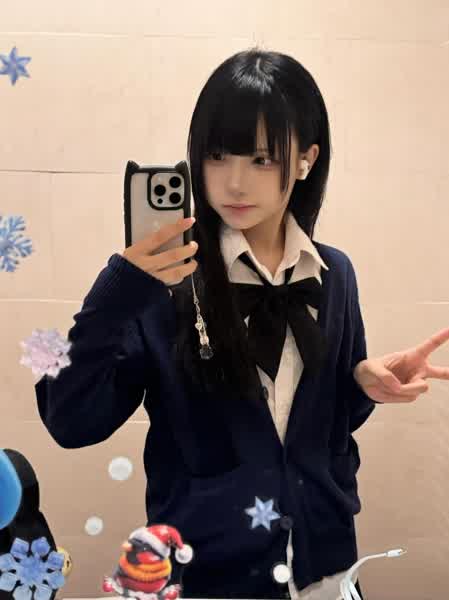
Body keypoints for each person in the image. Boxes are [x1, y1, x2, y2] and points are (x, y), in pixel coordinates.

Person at [35, 47, 373, 599]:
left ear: (306, 160)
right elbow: (71, 422)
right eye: (217, 156)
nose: (234, 183)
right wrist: (116, 292)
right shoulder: (161, 286)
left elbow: (326, 424)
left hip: (326, 570)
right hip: (209, 578)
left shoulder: (334, 274)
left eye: (261, 159)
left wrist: (363, 384)